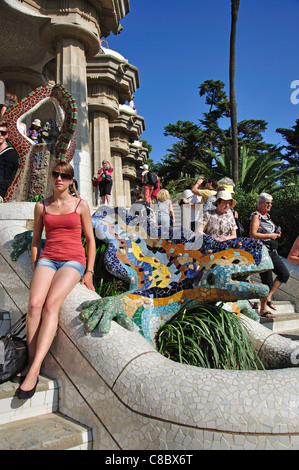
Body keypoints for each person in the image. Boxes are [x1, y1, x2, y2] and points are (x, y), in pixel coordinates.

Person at [15, 161, 96, 399]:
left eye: (64, 176)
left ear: (71, 180)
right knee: (33, 305)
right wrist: (35, 263)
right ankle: (31, 361)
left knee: (51, 305)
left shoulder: (81, 205)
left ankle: (35, 368)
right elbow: (36, 239)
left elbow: (90, 240)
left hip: (73, 260)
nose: (59, 179)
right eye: (55, 174)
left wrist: (89, 272)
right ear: (51, 177)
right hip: (48, 259)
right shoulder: (42, 206)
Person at [249, 192, 289, 318]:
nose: (270, 205)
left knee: (284, 274)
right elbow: (253, 234)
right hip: (262, 251)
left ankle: (269, 296)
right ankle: (263, 309)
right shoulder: (256, 216)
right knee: (267, 280)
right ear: (260, 203)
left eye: (271, 203)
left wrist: (276, 234)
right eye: (267, 203)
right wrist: (270, 235)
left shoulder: (268, 216)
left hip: (272, 251)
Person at [0, 120, 19, 202]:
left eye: (2, 133)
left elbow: (4, 179)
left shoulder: (11, 154)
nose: (0, 135)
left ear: (6, 135)